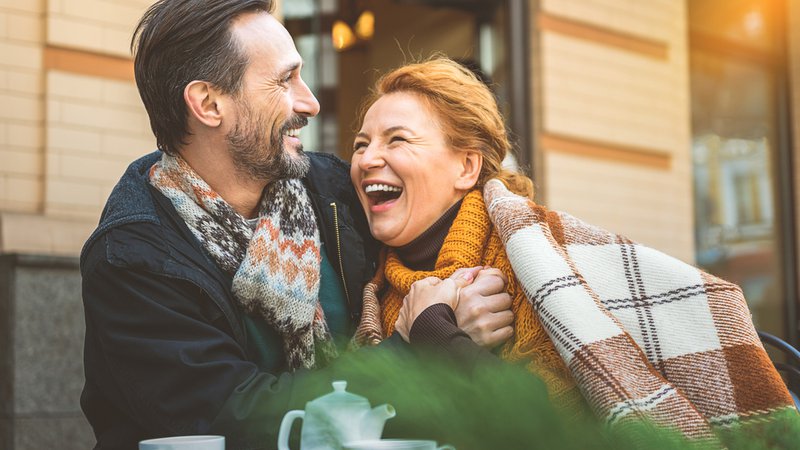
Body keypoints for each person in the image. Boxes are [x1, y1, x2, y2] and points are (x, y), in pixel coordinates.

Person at [79, 2, 513, 449]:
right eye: (285, 80)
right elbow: (240, 419)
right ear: (209, 104)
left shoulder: (333, 192)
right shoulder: (134, 258)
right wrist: (418, 346)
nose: (310, 102)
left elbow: (437, 217)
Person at [350, 57, 795, 441]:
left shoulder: (537, 263)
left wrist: (434, 332)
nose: (368, 159)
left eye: (397, 139)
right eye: (361, 144)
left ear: (467, 166)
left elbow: (550, 431)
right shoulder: (369, 285)